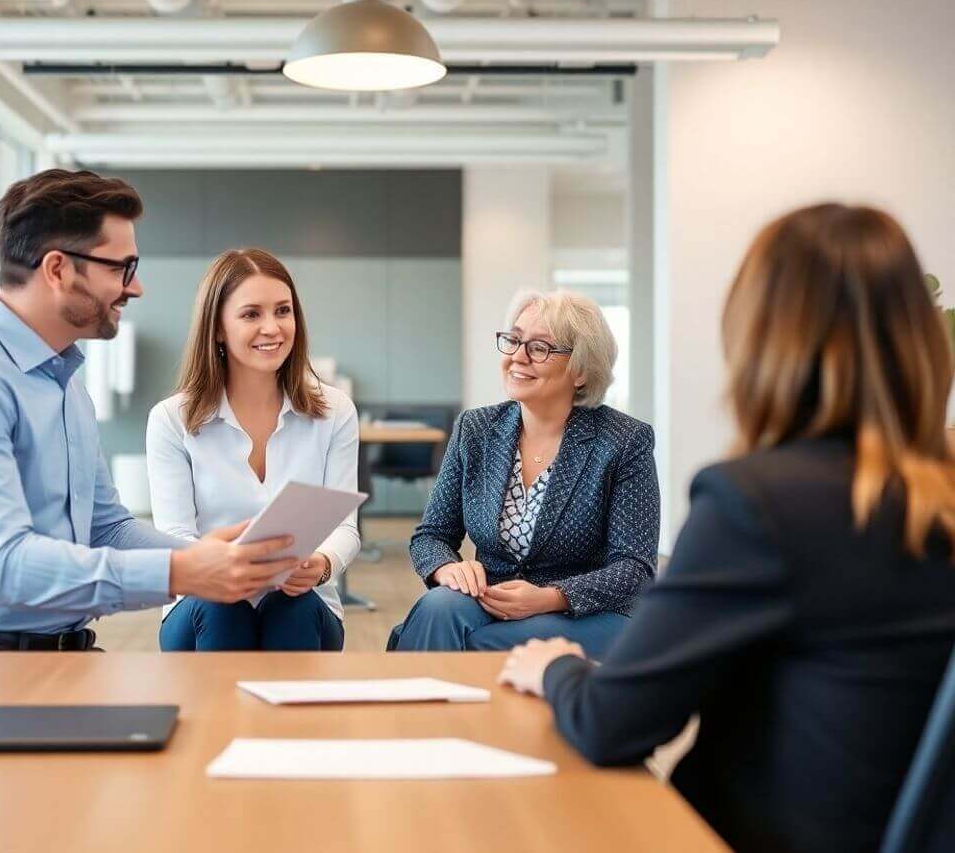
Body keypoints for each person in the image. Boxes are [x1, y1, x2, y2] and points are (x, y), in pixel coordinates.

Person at [499, 203, 955, 853]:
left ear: (762, 336)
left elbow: (613, 723)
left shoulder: (759, 503)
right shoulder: (935, 496)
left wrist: (556, 671)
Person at [0, 170, 293, 651]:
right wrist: (183, 571)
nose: (135, 288)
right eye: (122, 268)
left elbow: (106, 527)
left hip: (60, 653)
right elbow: (7, 567)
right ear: (57, 270)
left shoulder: (63, 383)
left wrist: (210, 558)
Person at [389, 289, 659, 659]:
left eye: (539, 348)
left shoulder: (624, 441)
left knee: (473, 645)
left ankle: (430, 714)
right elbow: (431, 535)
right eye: (514, 340)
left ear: (580, 370)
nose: (517, 356)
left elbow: (635, 568)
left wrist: (549, 597)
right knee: (439, 607)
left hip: (585, 611)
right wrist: (447, 569)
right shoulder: (476, 429)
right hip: (492, 598)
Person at [147, 248, 360, 651]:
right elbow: (174, 536)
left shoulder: (334, 412)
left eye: (283, 311)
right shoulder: (171, 419)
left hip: (303, 601)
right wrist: (225, 570)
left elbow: (345, 527)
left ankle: (291, 716)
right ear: (218, 328)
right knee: (222, 605)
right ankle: (218, 716)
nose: (273, 328)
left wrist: (321, 564)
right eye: (251, 314)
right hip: (203, 606)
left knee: (291, 607)